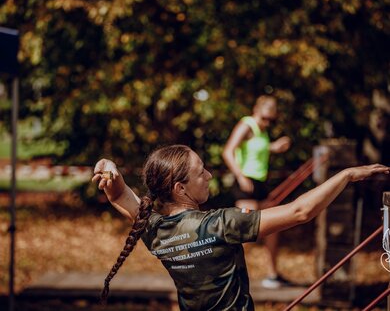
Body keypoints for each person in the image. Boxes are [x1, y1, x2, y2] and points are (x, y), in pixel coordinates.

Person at [92, 144, 389, 310]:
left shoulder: (154, 230)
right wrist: (347, 175)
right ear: (181, 188)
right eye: (200, 172)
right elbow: (300, 212)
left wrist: (108, 166)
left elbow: (119, 196)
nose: (209, 175)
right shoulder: (221, 224)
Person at [222, 95, 291, 288]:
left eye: (271, 119)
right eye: (264, 118)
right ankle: (228, 275)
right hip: (245, 183)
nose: (266, 122)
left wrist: (273, 147)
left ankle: (272, 275)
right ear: (256, 110)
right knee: (245, 232)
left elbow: (255, 149)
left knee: (273, 229)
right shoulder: (246, 124)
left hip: (261, 183)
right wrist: (241, 177)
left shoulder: (262, 131)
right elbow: (228, 151)